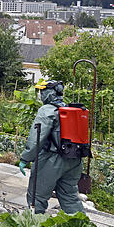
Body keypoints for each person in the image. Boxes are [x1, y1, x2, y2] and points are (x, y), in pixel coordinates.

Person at [19, 80, 84, 214]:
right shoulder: (67, 109)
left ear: (50, 93)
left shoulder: (47, 110)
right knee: (70, 197)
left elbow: (37, 137)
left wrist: (25, 158)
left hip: (52, 160)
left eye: (42, 92)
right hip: (73, 160)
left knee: (37, 196)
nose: (41, 95)